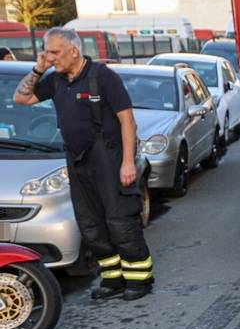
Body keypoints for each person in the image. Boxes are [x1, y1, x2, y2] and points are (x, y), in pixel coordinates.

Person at [12, 27, 153, 300]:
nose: (50, 57)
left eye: (54, 52)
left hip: (108, 158)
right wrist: (38, 70)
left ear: (74, 51)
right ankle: (113, 279)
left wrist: (127, 163)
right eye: (47, 52)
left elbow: (127, 120)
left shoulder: (103, 77)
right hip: (77, 161)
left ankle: (140, 280)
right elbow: (21, 98)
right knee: (90, 223)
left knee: (120, 220)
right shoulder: (55, 80)